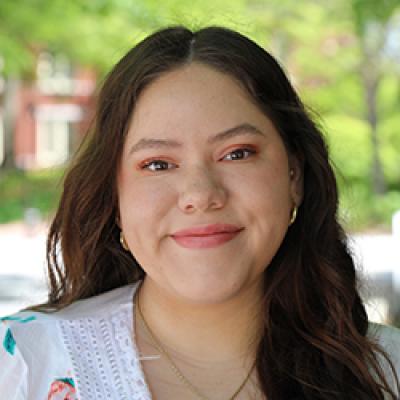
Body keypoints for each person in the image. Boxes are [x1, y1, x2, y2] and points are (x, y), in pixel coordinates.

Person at [0, 25, 399, 400]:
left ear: (293, 175)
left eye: (237, 154)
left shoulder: (387, 368)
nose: (201, 194)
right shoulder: (23, 366)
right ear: (114, 197)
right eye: (158, 164)